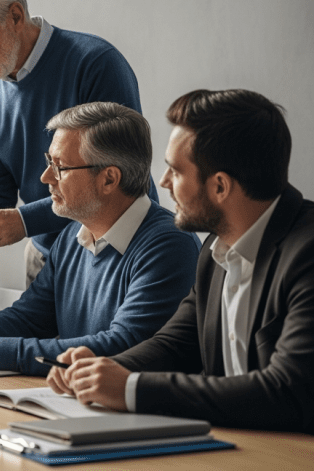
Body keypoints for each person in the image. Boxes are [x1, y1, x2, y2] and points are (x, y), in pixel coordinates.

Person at [47, 90, 314, 433]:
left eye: (175, 170)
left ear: (220, 186)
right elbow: (175, 345)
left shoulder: (306, 254)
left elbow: (288, 391)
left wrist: (130, 389)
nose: (163, 182)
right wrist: (99, 370)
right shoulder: (214, 251)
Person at [0, 103, 200, 375]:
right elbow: (30, 318)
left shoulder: (169, 245)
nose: (46, 177)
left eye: (60, 166)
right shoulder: (71, 234)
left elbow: (123, 346)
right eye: (49, 162)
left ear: (109, 179)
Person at [0, 0, 154, 286]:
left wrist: (25, 221)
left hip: (117, 252)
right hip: (45, 257)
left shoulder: (95, 65)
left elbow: (121, 185)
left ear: (15, 16)